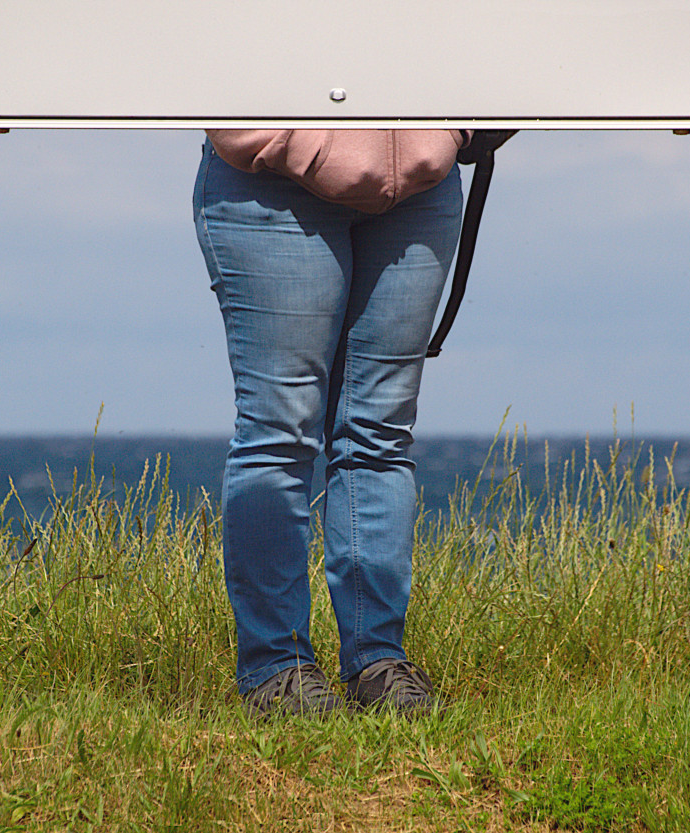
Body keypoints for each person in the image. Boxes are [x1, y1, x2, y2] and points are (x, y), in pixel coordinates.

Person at [192, 129, 467, 716]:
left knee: (380, 436)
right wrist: (297, 143)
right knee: (280, 433)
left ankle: (378, 662)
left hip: (421, 186)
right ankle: (276, 669)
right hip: (268, 179)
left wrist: (454, 132)